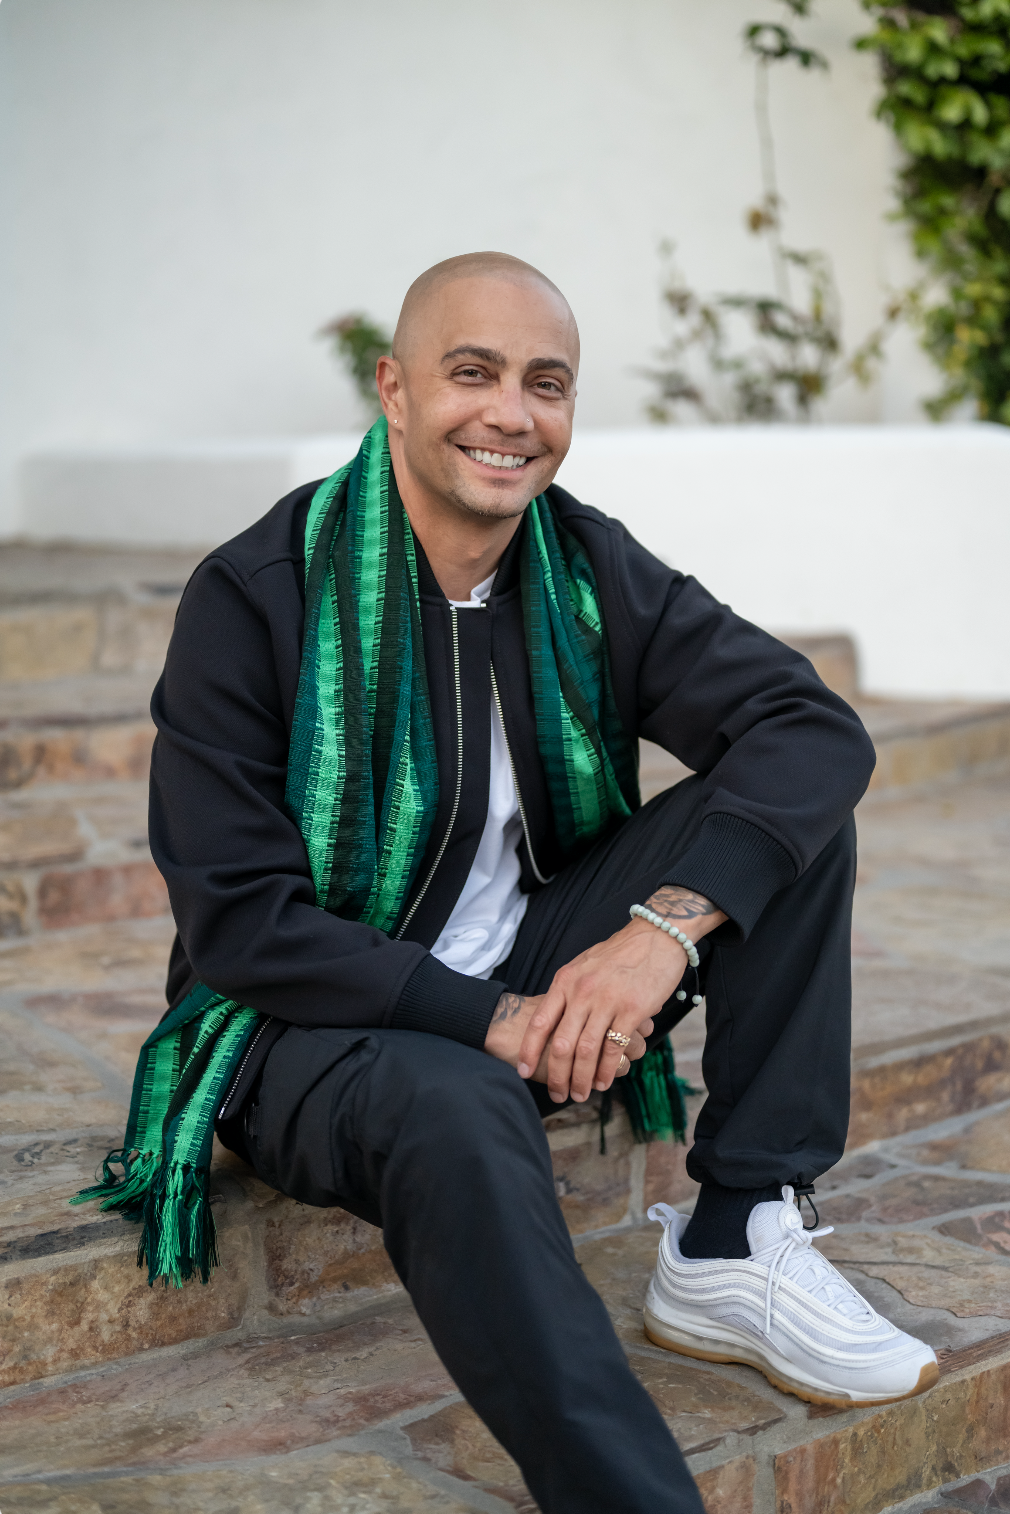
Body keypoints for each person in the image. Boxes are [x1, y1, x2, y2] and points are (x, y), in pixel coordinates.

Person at [92, 252, 937, 1514]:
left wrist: (655, 933)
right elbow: (241, 922)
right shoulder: (257, 594)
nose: (510, 414)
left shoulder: (583, 564)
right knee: (460, 1100)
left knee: (783, 823)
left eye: (545, 383)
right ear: (394, 389)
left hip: (534, 967)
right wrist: (487, 1019)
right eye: (471, 372)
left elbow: (807, 727)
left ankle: (733, 1234)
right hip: (303, 1027)